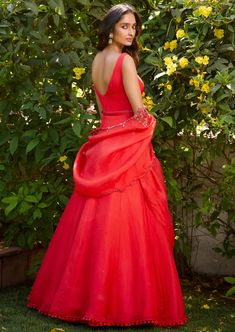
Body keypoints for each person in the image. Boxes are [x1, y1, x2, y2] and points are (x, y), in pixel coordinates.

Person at [27, 3, 188, 328]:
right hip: (124, 144)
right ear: (111, 28)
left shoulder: (97, 60)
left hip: (103, 143)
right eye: (125, 26)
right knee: (122, 222)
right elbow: (138, 112)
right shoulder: (125, 62)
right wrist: (149, 122)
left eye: (133, 27)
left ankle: (80, 297)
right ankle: (120, 302)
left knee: (92, 222)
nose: (131, 32)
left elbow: (103, 109)